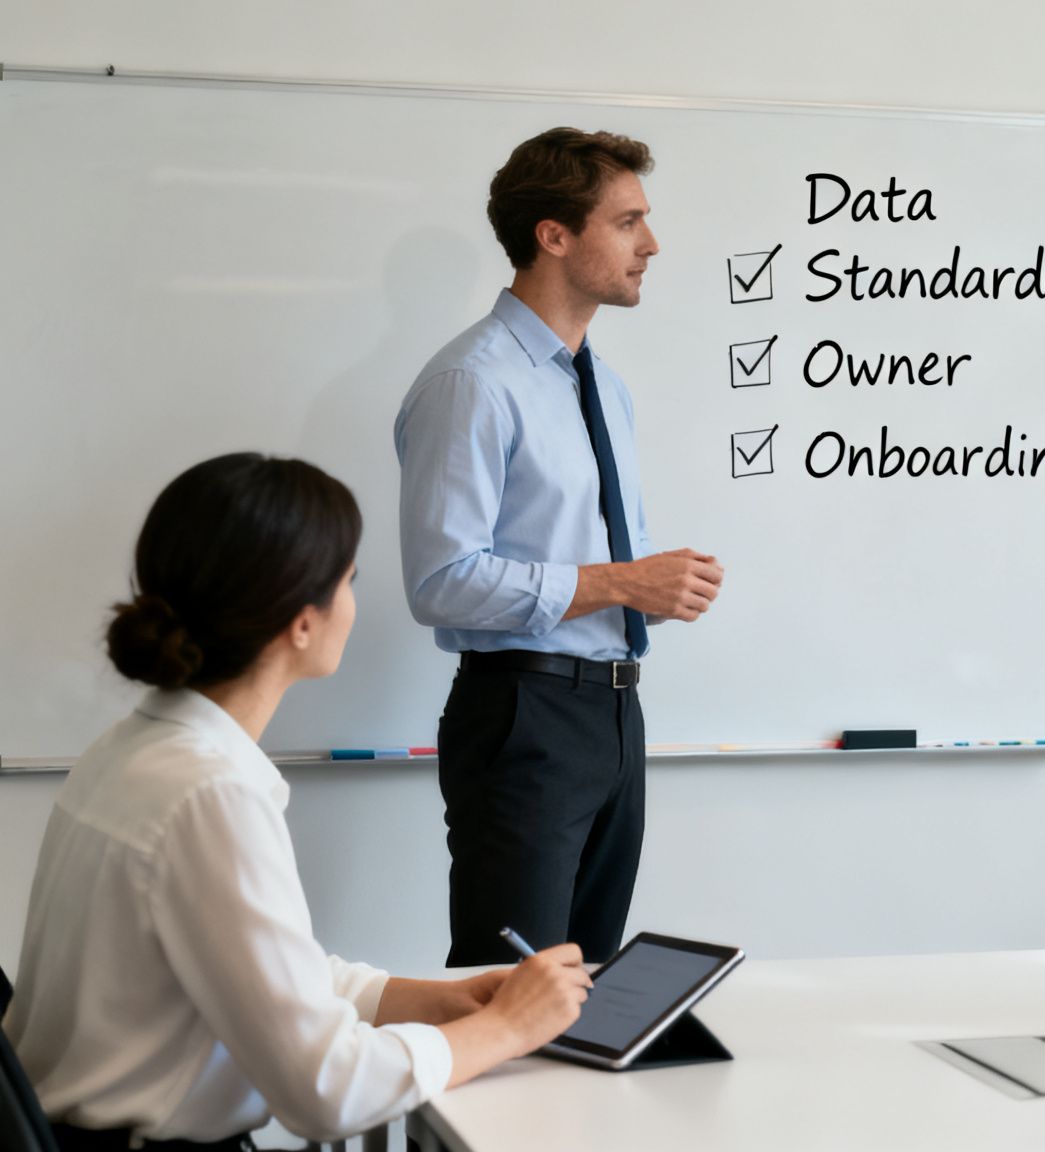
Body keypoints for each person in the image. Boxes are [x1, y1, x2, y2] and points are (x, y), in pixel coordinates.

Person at [1, 454, 591, 1151]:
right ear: (301, 623)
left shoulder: (132, 753)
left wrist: (440, 1002)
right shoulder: (208, 795)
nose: (354, 601)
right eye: (350, 581)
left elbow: (266, 975)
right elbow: (328, 1092)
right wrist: (506, 1030)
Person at [395, 128, 725, 966]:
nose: (651, 244)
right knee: (513, 990)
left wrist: (654, 588)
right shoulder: (472, 382)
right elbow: (441, 582)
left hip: (615, 713)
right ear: (554, 234)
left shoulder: (601, 386)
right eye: (627, 222)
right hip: (523, 716)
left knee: (588, 993)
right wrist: (621, 581)